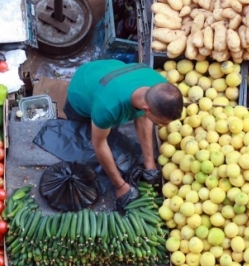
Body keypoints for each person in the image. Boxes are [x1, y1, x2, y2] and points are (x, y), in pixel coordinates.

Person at [63, 59, 183, 210]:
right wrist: (120, 185)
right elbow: (99, 144)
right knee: (84, 136)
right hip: (82, 90)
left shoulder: (159, 85)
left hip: (105, 70)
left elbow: (143, 117)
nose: (165, 126)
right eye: (162, 123)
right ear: (147, 109)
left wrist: (149, 162)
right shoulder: (108, 107)